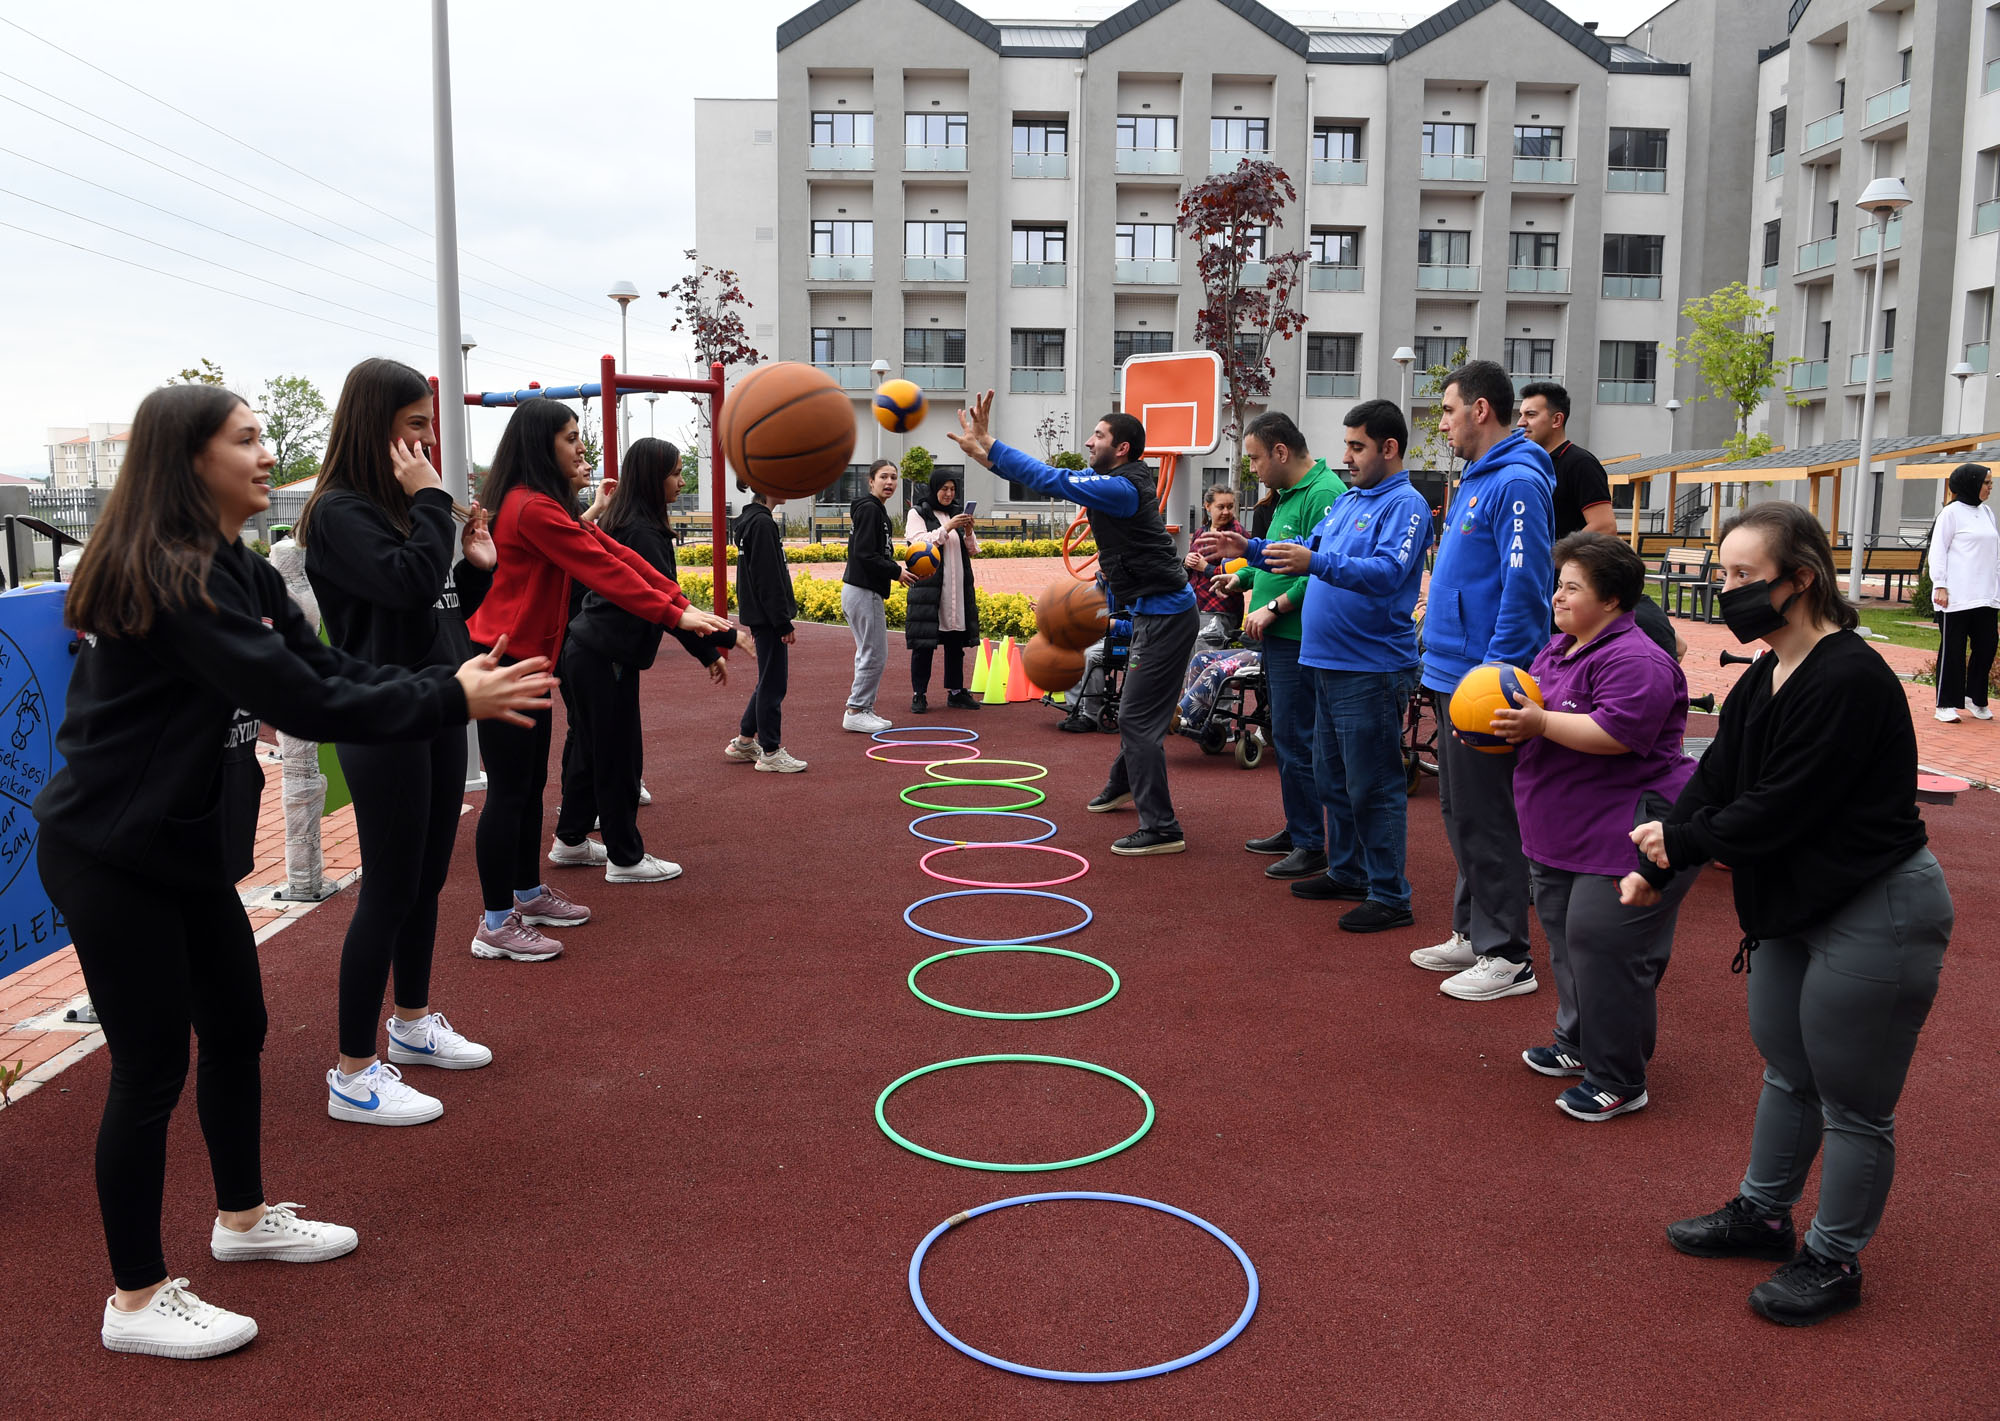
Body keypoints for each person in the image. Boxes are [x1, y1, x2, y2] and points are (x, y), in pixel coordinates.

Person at [35, 384, 555, 1359]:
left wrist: (445, 683)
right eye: (246, 438)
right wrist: (447, 695)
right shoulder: (174, 576)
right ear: (190, 460)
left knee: (238, 1028)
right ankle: (136, 1297)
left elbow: (326, 663)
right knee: (150, 1067)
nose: (267, 451)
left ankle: (243, 1217)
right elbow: (298, 697)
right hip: (113, 854)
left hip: (179, 848)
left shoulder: (231, 567)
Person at [1625, 502, 1953, 1327]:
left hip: (1874, 902)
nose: (1725, 589)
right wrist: (1657, 860)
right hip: (1795, 904)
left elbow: (1778, 807)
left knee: (1853, 1099)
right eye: (1722, 572)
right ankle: (1764, 1215)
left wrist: (1683, 842)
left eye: (1743, 576)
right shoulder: (1766, 671)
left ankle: (1834, 1259)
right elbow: (1717, 778)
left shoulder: (1849, 677)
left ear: (1800, 579)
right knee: (1787, 1067)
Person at [297, 358, 501, 1127]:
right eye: (415, 425)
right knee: (387, 885)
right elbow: (410, 583)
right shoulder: (341, 513)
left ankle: (411, 1024)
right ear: (375, 425)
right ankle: (352, 1072)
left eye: (430, 425)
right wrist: (433, 509)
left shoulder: (399, 510)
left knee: (424, 879)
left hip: (436, 701)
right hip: (380, 711)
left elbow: (442, 608)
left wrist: (475, 564)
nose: (427, 440)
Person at [466, 399, 732, 961]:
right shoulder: (529, 506)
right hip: (504, 659)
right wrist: (674, 614)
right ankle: (494, 922)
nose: (580, 447)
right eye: (570, 437)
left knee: (530, 786)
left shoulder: (542, 503)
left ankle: (528, 894)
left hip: (532, 659)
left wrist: (678, 602)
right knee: (510, 793)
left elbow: (607, 549)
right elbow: (601, 570)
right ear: (543, 445)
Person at [1489, 532, 1701, 1121]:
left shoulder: (1638, 660)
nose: (1556, 596)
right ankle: (1579, 1041)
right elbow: (1533, 711)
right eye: (1559, 584)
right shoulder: (1560, 648)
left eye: (1571, 587)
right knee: (1567, 942)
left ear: (1611, 600)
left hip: (1625, 833)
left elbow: (1615, 735)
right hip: (1561, 829)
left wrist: (1537, 724)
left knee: (1605, 947)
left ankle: (1620, 1076)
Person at [1211, 401, 1433, 930]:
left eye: (1357, 446)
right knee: (1333, 778)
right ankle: (1349, 870)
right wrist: (1254, 549)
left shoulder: (1407, 505)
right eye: (1348, 445)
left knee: (1373, 784)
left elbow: (1385, 572)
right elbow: (1304, 551)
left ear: (1390, 448)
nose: (1347, 456)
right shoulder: (1352, 499)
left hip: (1371, 666)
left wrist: (1314, 563)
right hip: (1327, 661)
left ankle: (1389, 894)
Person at [951, 391, 1197, 856]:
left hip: (1167, 617)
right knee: (1139, 715)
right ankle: (1124, 786)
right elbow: (1051, 478)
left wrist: (993, 442)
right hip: (1154, 611)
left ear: (1121, 447)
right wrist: (985, 457)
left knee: (1136, 718)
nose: (1089, 441)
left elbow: (1052, 479)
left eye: (1098, 435)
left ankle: (1163, 827)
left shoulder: (1121, 488)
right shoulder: (1113, 478)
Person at [1411, 359, 1555, 999]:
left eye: (1446, 410)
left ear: (1479, 409)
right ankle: (1474, 931)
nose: (1441, 423)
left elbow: (1525, 588)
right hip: (1449, 670)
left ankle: (1508, 955)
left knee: (1488, 816)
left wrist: (1497, 674)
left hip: (1481, 680)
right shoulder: (1476, 477)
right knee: (1460, 810)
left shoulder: (1519, 481)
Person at [556, 438, 732, 878]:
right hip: (603, 654)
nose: (681, 480)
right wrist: (707, 648)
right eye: (675, 472)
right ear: (655, 478)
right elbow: (659, 602)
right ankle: (625, 857)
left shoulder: (628, 522)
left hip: (587, 650)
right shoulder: (641, 531)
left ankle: (571, 839)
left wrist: (705, 644)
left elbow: (664, 597)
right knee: (617, 756)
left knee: (589, 749)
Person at [1220, 413, 1346, 880]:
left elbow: (1325, 572)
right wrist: (1242, 578)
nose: (1251, 467)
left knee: (1298, 739)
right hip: (1278, 637)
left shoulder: (1325, 493)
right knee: (1287, 735)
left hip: (1299, 638)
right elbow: (1277, 560)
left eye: (1254, 457)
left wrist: (1274, 608)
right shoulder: (1288, 497)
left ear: (1280, 452)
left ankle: (1312, 841)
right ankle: (1299, 828)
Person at [725, 484, 807, 771]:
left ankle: (745, 741)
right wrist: (782, 621)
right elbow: (768, 577)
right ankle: (770, 751)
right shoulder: (761, 523)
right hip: (767, 618)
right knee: (773, 683)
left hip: (761, 615)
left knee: (768, 679)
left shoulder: (753, 520)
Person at [841, 458, 914, 731]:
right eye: (884, 477)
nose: (890, 482)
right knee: (875, 653)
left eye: (894, 477)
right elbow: (864, 554)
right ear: (871, 481)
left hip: (858, 589)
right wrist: (896, 572)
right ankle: (857, 709)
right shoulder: (870, 510)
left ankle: (862, 707)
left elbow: (869, 552)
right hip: (863, 590)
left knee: (868, 652)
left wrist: (893, 571)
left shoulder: (873, 510)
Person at [904, 467, 981, 713]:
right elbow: (918, 543)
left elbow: (972, 549)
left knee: (955, 641)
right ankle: (919, 694)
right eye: (944, 489)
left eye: (952, 490)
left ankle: (956, 691)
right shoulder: (917, 513)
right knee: (924, 644)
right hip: (929, 589)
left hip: (956, 587)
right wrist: (947, 528)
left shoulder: (956, 513)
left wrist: (967, 529)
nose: (948, 494)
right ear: (933, 488)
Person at [1927, 462, 1996, 723]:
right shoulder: (1951, 513)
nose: (1990, 487)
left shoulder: (1988, 513)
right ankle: (1945, 704)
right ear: (1971, 483)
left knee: (1988, 646)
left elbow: (1994, 555)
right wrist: (1940, 585)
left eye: (1991, 482)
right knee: (1953, 650)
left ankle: (1975, 698)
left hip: (1986, 596)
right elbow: (1938, 552)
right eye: (1986, 482)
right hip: (1955, 596)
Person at [1517, 382, 1616, 540]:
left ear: (1557, 420)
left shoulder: (1581, 464)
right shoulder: (1527, 464)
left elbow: (1604, 526)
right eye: (1521, 414)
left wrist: (1551, 558)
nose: (1520, 422)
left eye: (1531, 415)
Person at [1186, 484, 1246, 646]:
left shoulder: (1236, 534)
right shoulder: (1201, 531)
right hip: (1196, 605)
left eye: (1230, 507)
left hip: (1220, 608)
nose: (1226, 512)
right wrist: (1188, 562)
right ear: (1207, 506)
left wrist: (1205, 567)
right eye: (1221, 507)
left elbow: (1242, 574)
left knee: (1207, 658)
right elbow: (1192, 570)